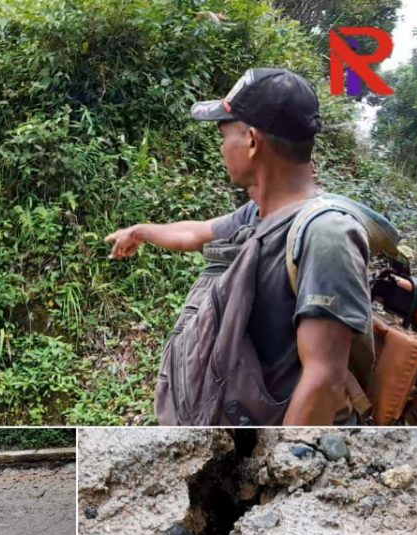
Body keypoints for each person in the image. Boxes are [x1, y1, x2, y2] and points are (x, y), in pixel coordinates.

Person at [104, 68, 373, 425]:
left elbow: (324, 380)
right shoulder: (261, 212)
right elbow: (198, 232)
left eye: (223, 134)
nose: (221, 146)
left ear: (252, 142)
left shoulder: (326, 234)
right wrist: (140, 231)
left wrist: (278, 467)